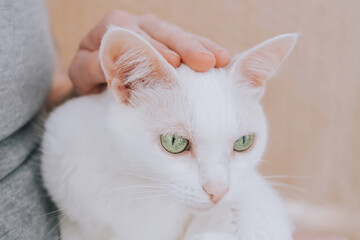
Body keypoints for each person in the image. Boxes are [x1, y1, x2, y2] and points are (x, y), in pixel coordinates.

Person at [0, 1, 345, 239]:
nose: (218, 187)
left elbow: (51, 82)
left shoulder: (215, 182)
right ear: (127, 91)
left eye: (242, 143)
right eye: (176, 143)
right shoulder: (69, 160)